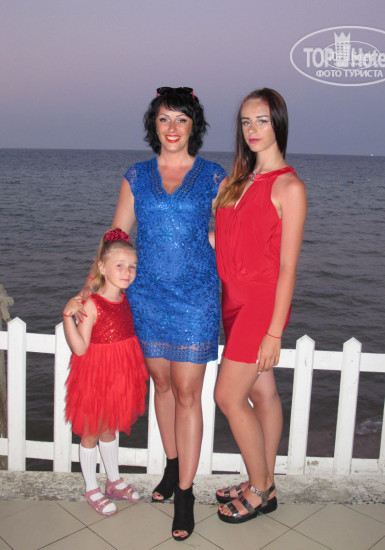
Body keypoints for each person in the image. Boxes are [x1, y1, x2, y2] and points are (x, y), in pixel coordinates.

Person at [79, 87, 227, 540]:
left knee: (188, 393)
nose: (172, 128)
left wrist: (209, 251)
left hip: (196, 298)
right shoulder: (136, 175)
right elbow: (117, 236)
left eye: (181, 119)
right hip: (145, 297)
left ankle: (185, 495)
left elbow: (230, 235)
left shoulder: (213, 175)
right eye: (164, 119)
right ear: (154, 125)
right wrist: (89, 288)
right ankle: (172, 467)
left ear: (194, 126)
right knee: (161, 385)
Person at [213, 88, 307, 523]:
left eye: (262, 120)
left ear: (278, 124)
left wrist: (274, 333)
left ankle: (260, 487)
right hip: (231, 301)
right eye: (246, 122)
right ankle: (264, 480)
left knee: (228, 396)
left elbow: (287, 267)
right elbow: (228, 241)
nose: (252, 129)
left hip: (260, 304)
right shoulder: (237, 181)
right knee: (261, 392)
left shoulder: (289, 186)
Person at [63, 228, 149, 516]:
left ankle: (113, 481)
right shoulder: (92, 304)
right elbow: (80, 348)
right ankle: (91, 488)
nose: (127, 272)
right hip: (95, 376)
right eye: (120, 265)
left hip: (120, 375)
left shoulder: (124, 299)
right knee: (90, 432)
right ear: (102, 267)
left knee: (110, 428)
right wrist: (67, 317)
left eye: (132, 266)